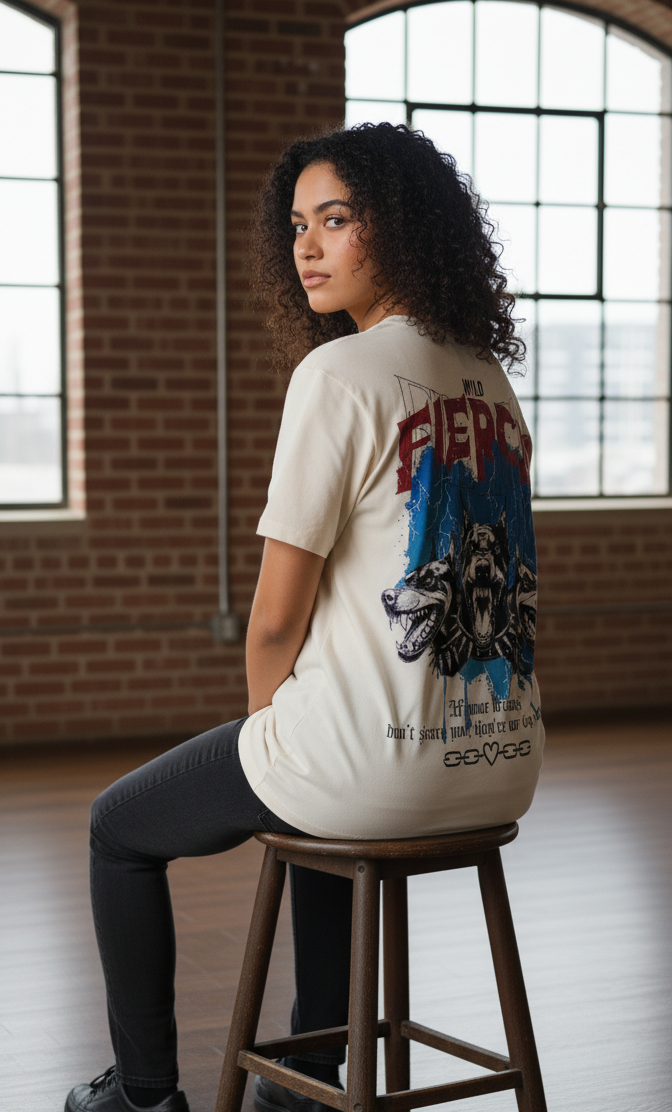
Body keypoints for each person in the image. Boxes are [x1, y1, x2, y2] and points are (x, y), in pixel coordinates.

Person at [65, 123, 544, 1112]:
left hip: (376, 768)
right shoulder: (491, 384)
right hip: (499, 763)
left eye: (337, 218)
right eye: (297, 225)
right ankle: (315, 1070)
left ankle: (144, 1094)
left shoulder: (337, 376)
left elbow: (275, 619)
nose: (309, 246)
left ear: (402, 230)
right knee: (322, 757)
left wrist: (265, 735)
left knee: (122, 823)